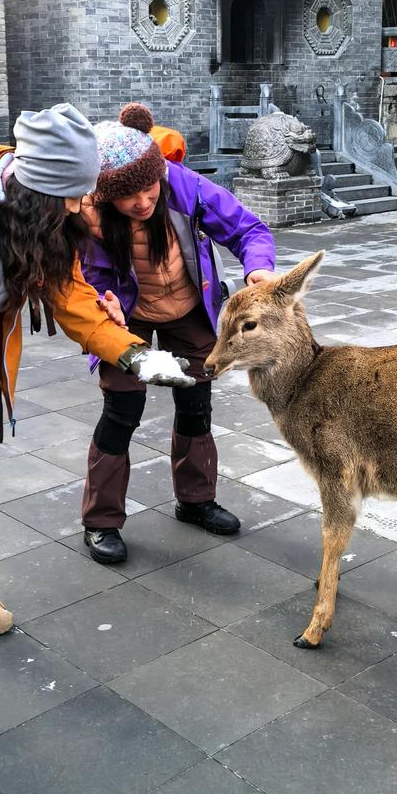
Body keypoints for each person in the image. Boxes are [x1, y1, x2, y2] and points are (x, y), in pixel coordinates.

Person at [0, 104, 193, 636]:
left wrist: (133, 353)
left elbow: (71, 298)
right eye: (69, 196)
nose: (77, 208)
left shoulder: (45, 222)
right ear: (35, 186)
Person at [79, 102, 276, 565]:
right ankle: (101, 521)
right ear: (107, 196)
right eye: (129, 198)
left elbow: (247, 228)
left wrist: (259, 270)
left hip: (187, 306)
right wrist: (102, 303)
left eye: (150, 190)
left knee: (196, 404)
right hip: (128, 314)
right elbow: (85, 278)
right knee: (121, 410)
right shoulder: (88, 215)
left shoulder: (183, 185)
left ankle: (196, 499)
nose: (144, 203)